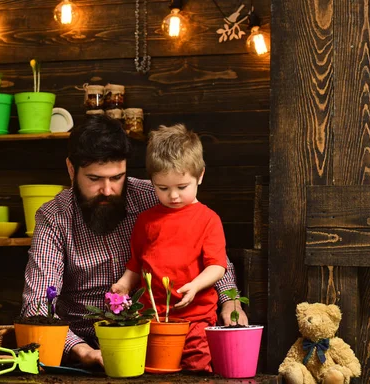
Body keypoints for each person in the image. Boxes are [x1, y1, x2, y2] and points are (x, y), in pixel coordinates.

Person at [21, 115, 248, 368]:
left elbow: (215, 259)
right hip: (81, 347)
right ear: (71, 170)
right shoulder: (54, 217)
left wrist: (231, 302)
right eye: (95, 179)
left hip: (152, 337)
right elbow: (38, 306)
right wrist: (82, 351)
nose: (107, 190)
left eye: (117, 178)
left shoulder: (159, 195)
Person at [111, 123, 226, 371]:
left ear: (200, 175)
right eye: (162, 188)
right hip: (152, 319)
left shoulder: (208, 219)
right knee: (155, 371)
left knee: (197, 368)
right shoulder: (146, 220)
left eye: (182, 187)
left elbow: (217, 266)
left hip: (196, 318)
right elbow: (136, 265)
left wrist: (195, 286)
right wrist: (122, 285)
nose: (173, 196)